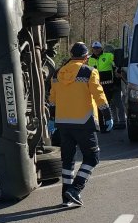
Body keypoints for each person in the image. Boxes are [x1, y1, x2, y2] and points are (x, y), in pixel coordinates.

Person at [48, 42, 113, 207]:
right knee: (92, 157)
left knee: (68, 160)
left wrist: (52, 119)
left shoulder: (58, 73)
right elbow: (99, 94)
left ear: (71, 56)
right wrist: (107, 115)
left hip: (63, 123)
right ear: (85, 57)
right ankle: (75, 189)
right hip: (84, 121)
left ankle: (65, 197)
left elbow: (52, 99)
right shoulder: (89, 71)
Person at [88, 41, 124, 128]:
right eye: (94, 48)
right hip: (99, 86)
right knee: (105, 105)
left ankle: (122, 122)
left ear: (101, 49)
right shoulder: (90, 59)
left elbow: (118, 60)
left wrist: (118, 70)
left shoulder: (108, 56)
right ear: (92, 49)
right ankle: (110, 123)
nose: (96, 50)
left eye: (98, 48)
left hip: (112, 85)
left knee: (118, 103)